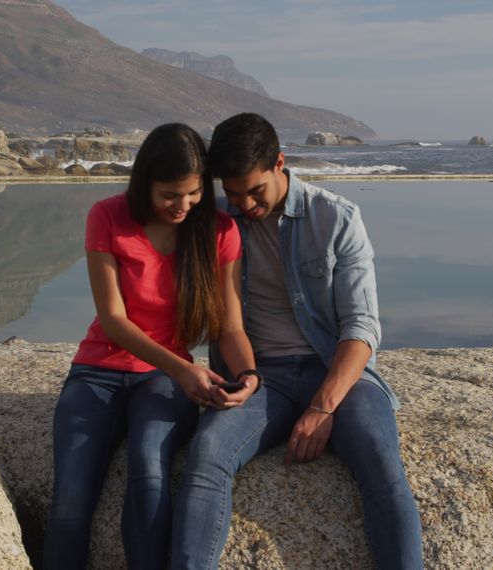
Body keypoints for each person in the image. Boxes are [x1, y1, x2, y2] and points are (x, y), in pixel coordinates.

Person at [171, 113, 424, 569]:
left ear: (280, 164)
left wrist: (323, 407)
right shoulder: (216, 224)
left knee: (384, 467)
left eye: (255, 190)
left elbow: (362, 327)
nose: (244, 203)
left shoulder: (336, 218)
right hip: (257, 377)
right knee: (207, 455)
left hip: (334, 371)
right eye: (232, 192)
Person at [43, 123, 260, 569]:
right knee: (70, 500)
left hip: (161, 381)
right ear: (146, 183)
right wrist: (182, 369)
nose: (182, 206)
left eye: (194, 193)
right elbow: (113, 320)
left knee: (149, 475)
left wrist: (249, 377)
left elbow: (230, 327)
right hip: (97, 371)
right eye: (169, 195)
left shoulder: (218, 231)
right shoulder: (107, 215)